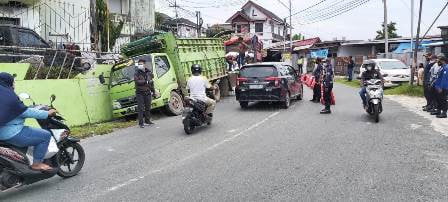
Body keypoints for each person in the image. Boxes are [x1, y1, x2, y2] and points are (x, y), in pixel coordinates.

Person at [0, 72, 57, 171]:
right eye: (13, 82)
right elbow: (25, 111)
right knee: (45, 136)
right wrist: (47, 113)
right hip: (11, 133)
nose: (14, 84)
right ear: (8, 82)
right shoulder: (9, 97)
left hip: (2, 133)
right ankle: (37, 164)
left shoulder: (3, 95)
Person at [134, 59, 157, 128]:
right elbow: (137, 82)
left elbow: (151, 82)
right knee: (140, 108)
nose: (140, 65)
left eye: (141, 64)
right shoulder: (136, 73)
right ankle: (141, 123)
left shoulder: (148, 72)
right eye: (139, 64)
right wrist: (146, 82)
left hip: (147, 92)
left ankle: (148, 120)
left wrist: (153, 92)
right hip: (139, 93)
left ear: (144, 64)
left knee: (148, 107)